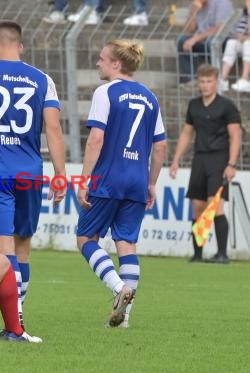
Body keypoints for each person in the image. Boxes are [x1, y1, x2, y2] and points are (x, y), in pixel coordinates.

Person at [0, 20, 67, 338]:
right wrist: (61, 175)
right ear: (20, 45)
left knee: (2, 255)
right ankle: (17, 322)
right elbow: (54, 130)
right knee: (22, 249)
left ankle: (15, 327)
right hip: (30, 174)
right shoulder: (43, 79)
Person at [76, 39, 167, 328]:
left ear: (116, 63)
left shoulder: (106, 92)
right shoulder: (151, 98)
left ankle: (119, 289)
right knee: (126, 244)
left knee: (86, 239)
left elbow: (96, 139)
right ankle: (124, 319)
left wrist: (85, 178)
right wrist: (152, 183)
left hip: (109, 177)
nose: (98, 63)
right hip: (137, 180)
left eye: (102, 59)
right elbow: (161, 146)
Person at [170, 64, 242, 264]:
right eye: (202, 81)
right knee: (198, 206)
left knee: (215, 204)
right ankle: (198, 254)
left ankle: (222, 254)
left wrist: (232, 163)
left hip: (219, 158)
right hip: (199, 158)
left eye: (209, 81)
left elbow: (235, 135)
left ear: (216, 82)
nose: (205, 85)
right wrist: (176, 159)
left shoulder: (226, 106)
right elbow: (186, 133)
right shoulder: (194, 105)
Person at [177, 0, 234, 84]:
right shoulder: (195, 5)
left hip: (224, 39)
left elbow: (220, 28)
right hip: (203, 38)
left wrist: (196, 38)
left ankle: (215, 79)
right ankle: (191, 79)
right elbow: (188, 31)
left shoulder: (222, 2)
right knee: (182, 41)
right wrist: (193, 13)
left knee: (212, 42)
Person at [219, 0, 250, 92]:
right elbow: (238, 33)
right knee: (231, 43)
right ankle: (222, 80)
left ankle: (245, 79)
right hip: (244, 42)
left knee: (248, 44)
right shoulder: (243, 14)